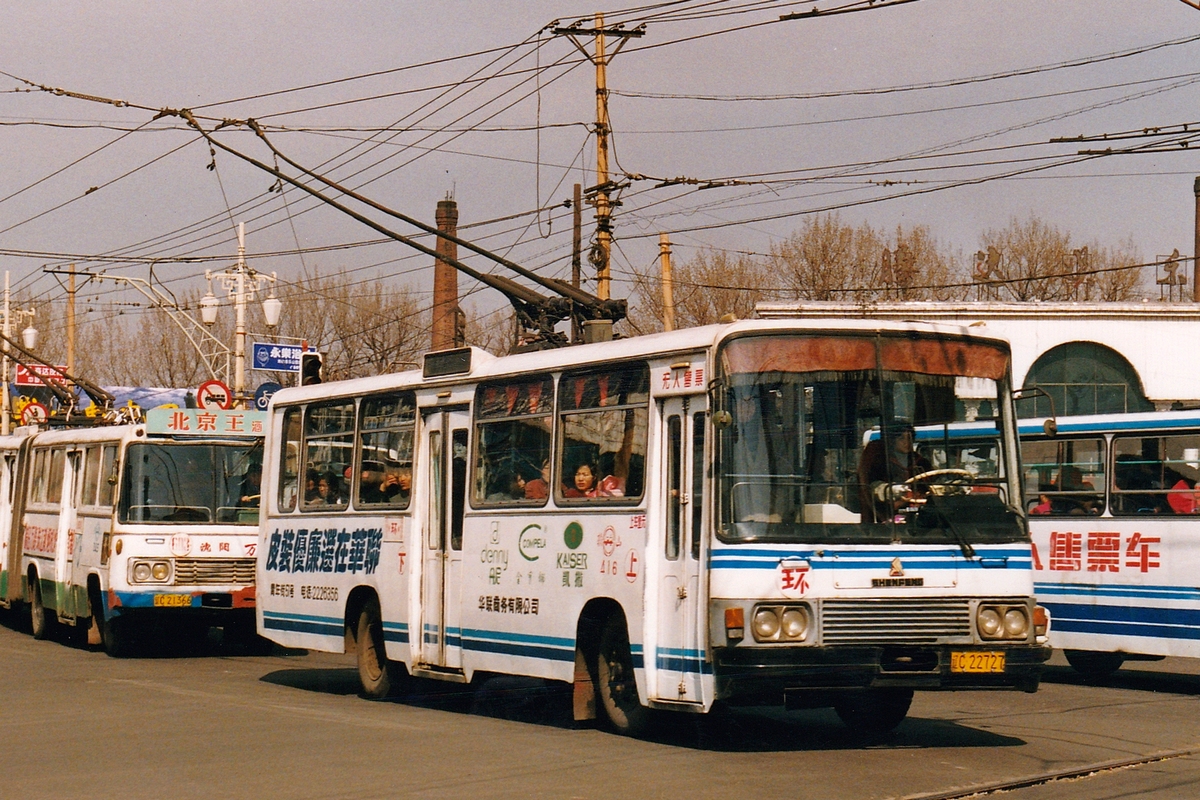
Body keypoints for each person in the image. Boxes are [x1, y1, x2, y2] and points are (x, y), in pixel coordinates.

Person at [858, 424, 931, 523]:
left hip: (918, 516)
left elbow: (931, 484)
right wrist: (891, 490)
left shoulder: (921, 462)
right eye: (902, 438)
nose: (907, 442)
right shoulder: (881, 461)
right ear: (892, 441)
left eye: (910, 438)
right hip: (887, 518)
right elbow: (872, 486)